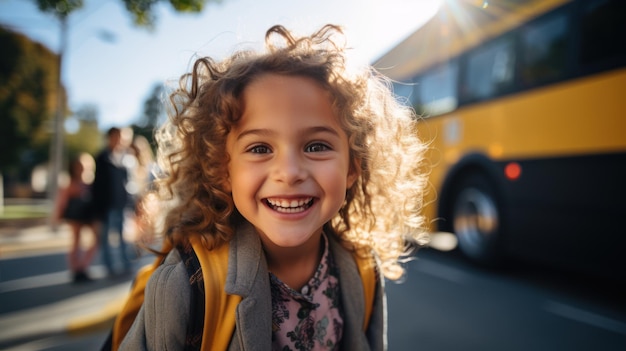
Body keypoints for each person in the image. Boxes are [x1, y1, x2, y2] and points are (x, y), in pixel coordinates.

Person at [119, 24, 428, 350]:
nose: (289, 172)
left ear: (353, 166)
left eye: (316, 146)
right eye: (259, 149)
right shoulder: (185, 287)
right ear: (223, 169)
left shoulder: (363, 270)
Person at [93, 126, 133, 277]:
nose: (119, 140)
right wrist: (97, 210)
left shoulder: (125, 158)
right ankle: (110, 268)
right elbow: (96, 187)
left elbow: (128, 183)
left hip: (121, 205)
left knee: (123, 238)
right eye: (116, 137)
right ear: (110, 138)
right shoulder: (102, 157)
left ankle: (126, 265)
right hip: (106, 206)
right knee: (106, 239)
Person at [53, 153, 99, 283]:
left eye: (85, 166)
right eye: (79, 166)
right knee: (76, 241)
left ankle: (83, 266)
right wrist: (57, 217)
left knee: (97, 239)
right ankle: (76, 269)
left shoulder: (92, 181)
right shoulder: (70, 183)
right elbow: (62, 202)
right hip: (76, 216)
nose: (82, 169)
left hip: (89, 215)